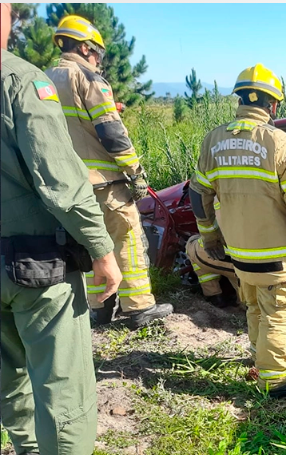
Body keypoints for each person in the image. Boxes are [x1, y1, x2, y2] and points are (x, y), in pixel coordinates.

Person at [1, 3, 123, 453]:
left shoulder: (47, 77)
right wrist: (101, 249)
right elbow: (60, 180)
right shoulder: (23, 81)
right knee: (63, 387)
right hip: (37, 262)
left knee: (9, 379)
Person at [190, 63, 286, 398]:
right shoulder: (278, 142)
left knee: (254, 306)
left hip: (240, 253)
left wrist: (209, 237)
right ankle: (275, 378)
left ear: (239, 99)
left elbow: (199, 195)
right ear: (273, 105)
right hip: (277, 256)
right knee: (280, 313)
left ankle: (259, 357)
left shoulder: (213, 140)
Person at [45, 15, 172, 329]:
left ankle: (100, 309)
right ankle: (139, 309)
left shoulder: (43, 80)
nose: (99, 60)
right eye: (98, 53)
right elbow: (112, 133)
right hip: (104, 184)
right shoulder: (89, 79)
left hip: (66, 186)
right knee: (126, 241)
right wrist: (135, 172)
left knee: (92, 245)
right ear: (86, 48)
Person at [185, 199, 239, 309]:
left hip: (228, 258)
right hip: (256, 261)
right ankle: (243, 302)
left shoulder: (217, 191)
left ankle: (214, 295)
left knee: (192, 244)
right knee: (249, 297)